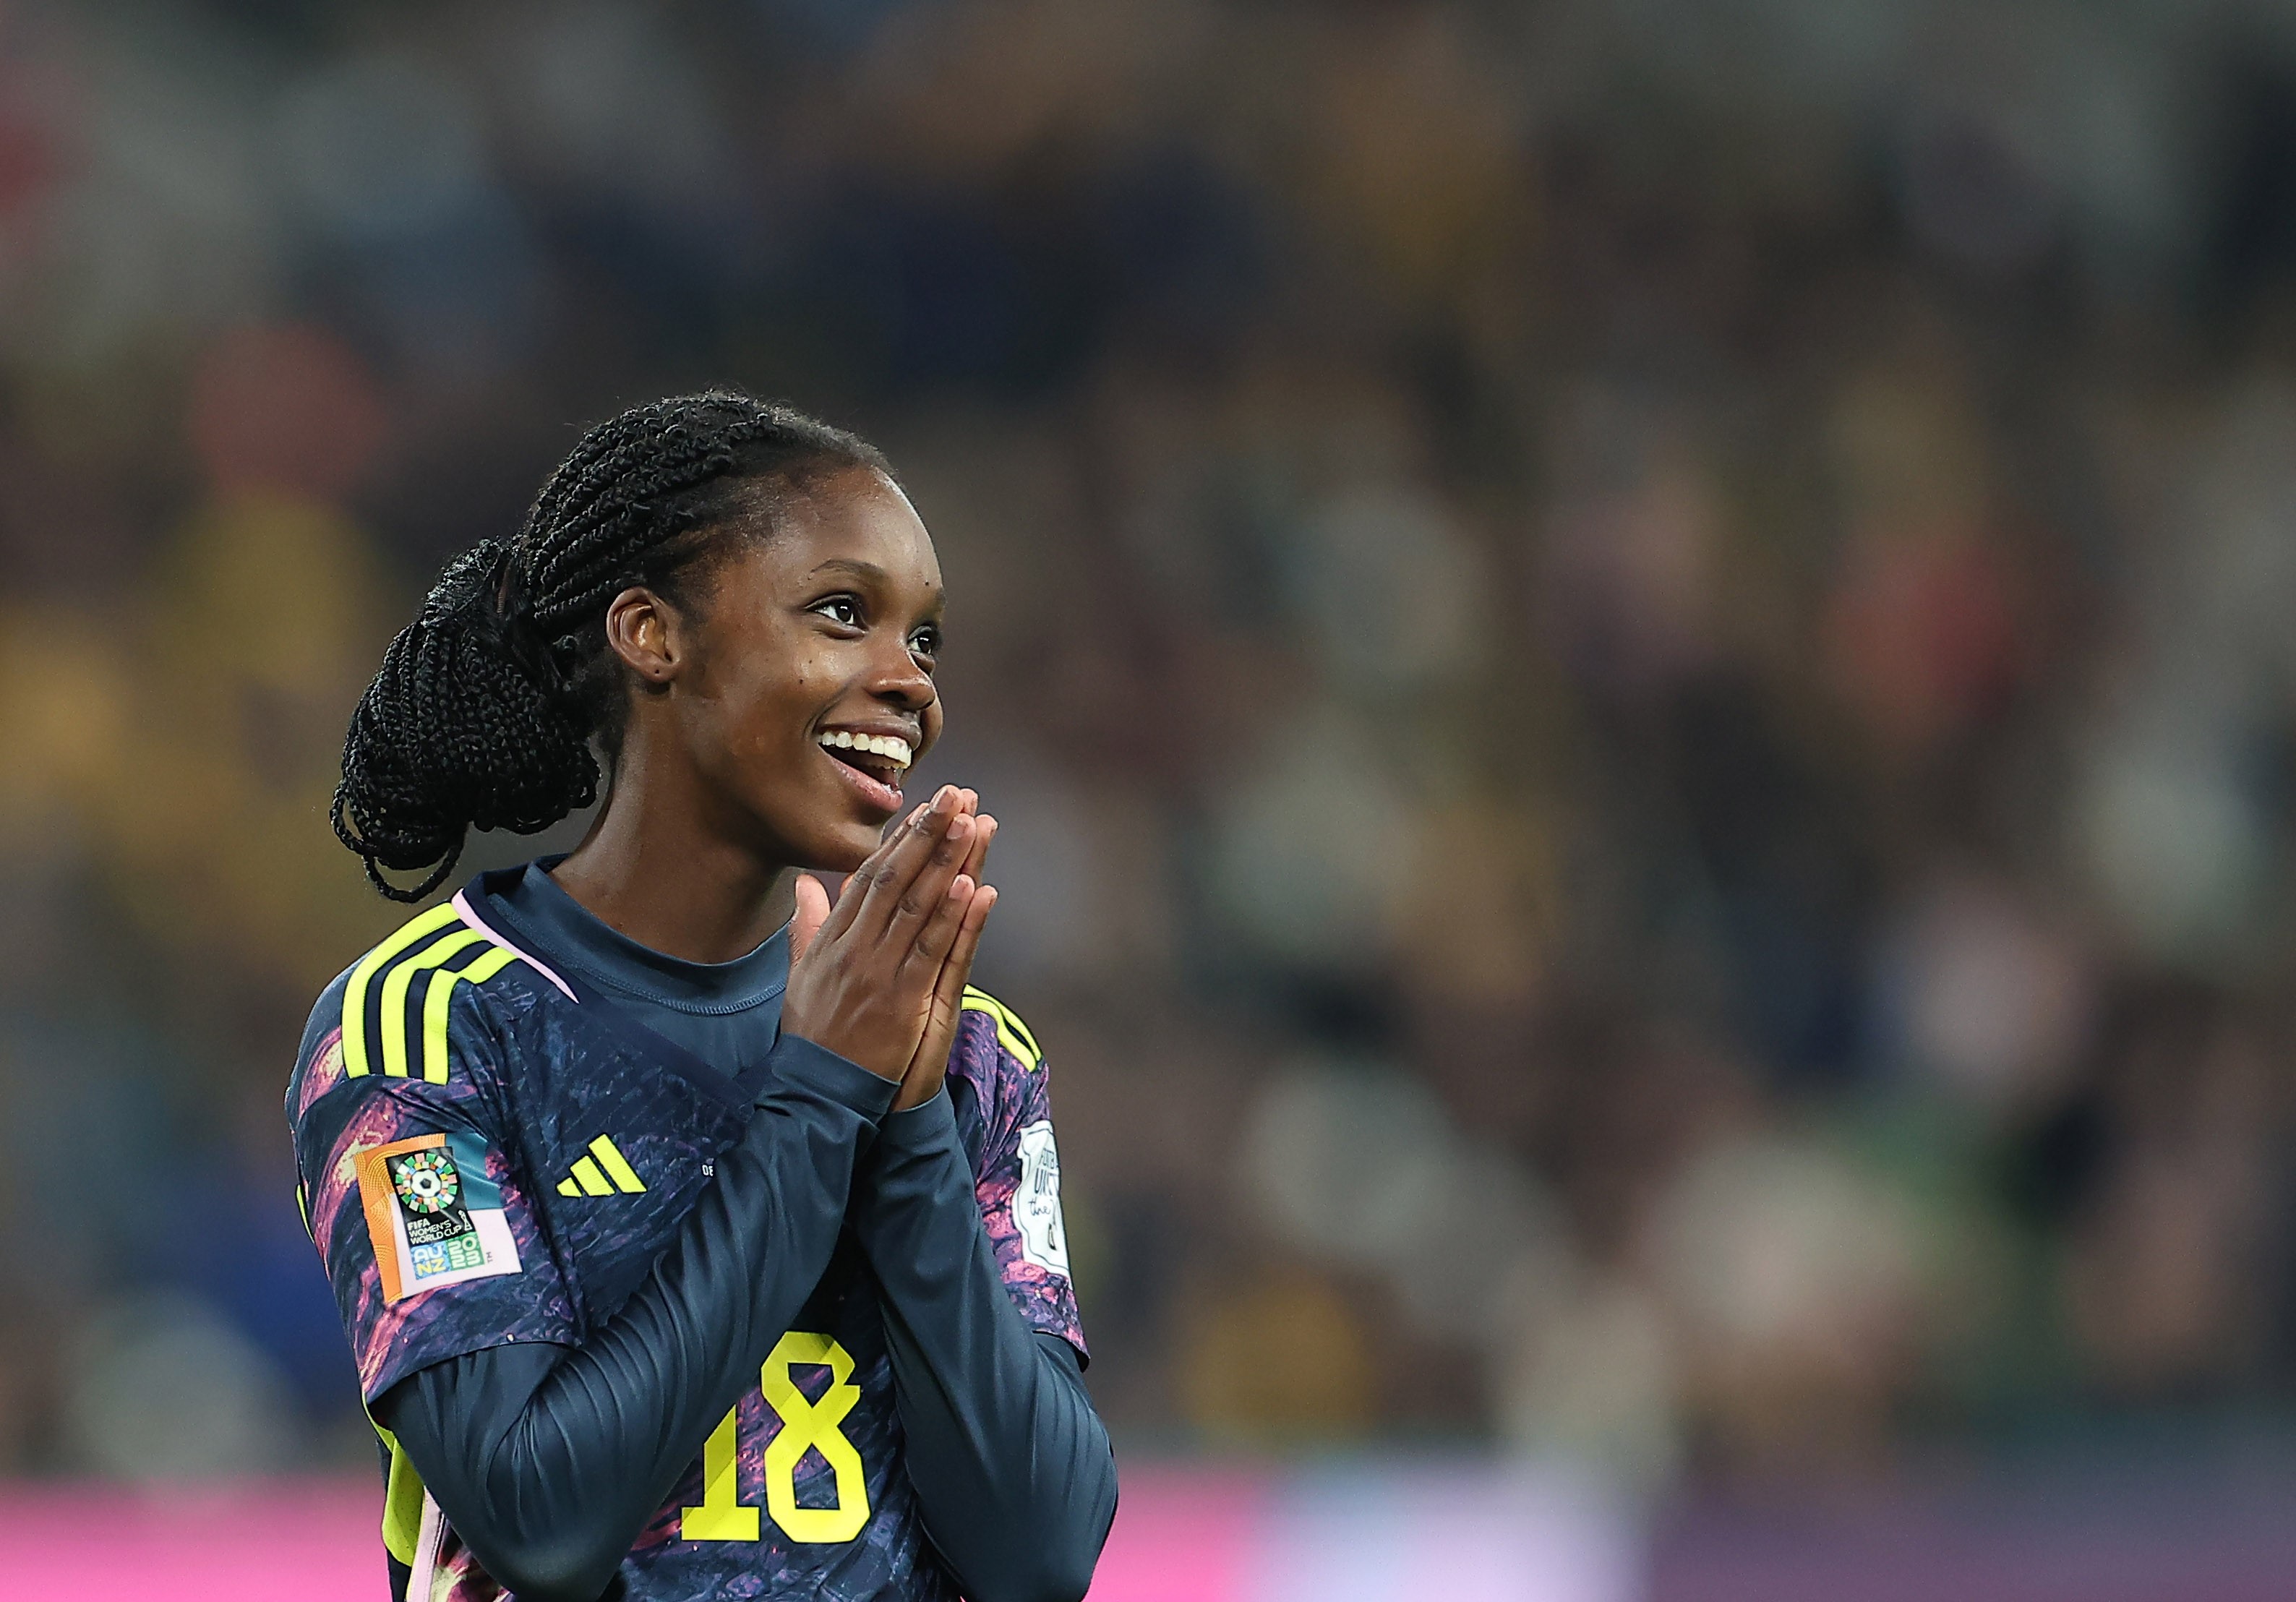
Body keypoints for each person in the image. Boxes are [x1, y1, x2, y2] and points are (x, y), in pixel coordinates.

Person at [285, 393, 1115, 1602]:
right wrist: (822, 1099)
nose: (910, 685)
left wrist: (908, 1124)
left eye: (924, 641)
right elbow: (540, 1520)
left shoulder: (967, 1049)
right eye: (845, 614)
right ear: (650, 634)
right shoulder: (433, 1028)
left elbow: (1040, 1558)